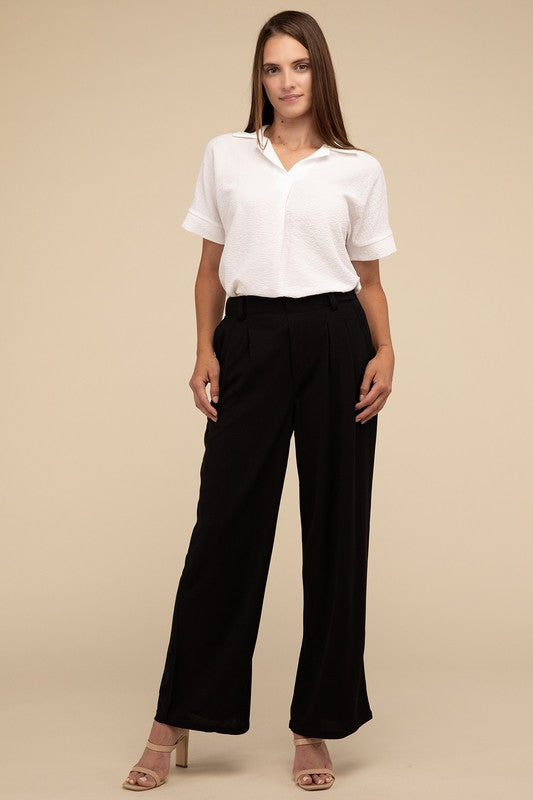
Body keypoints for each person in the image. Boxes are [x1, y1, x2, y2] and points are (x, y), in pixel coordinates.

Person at [122, 9, 397, 793]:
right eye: (272, 69)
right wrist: (206, 347)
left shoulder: (357, 168)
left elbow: (370, 281)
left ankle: (315, 726)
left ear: (320, 73)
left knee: (336, 531)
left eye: (299, 67)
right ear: (259, 78)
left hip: (335, 338)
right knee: (224, 530)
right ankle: (171, 718)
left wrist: (385, 351)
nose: (285, 83)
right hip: (247, 338)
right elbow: (209, 268)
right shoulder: (226, 156)